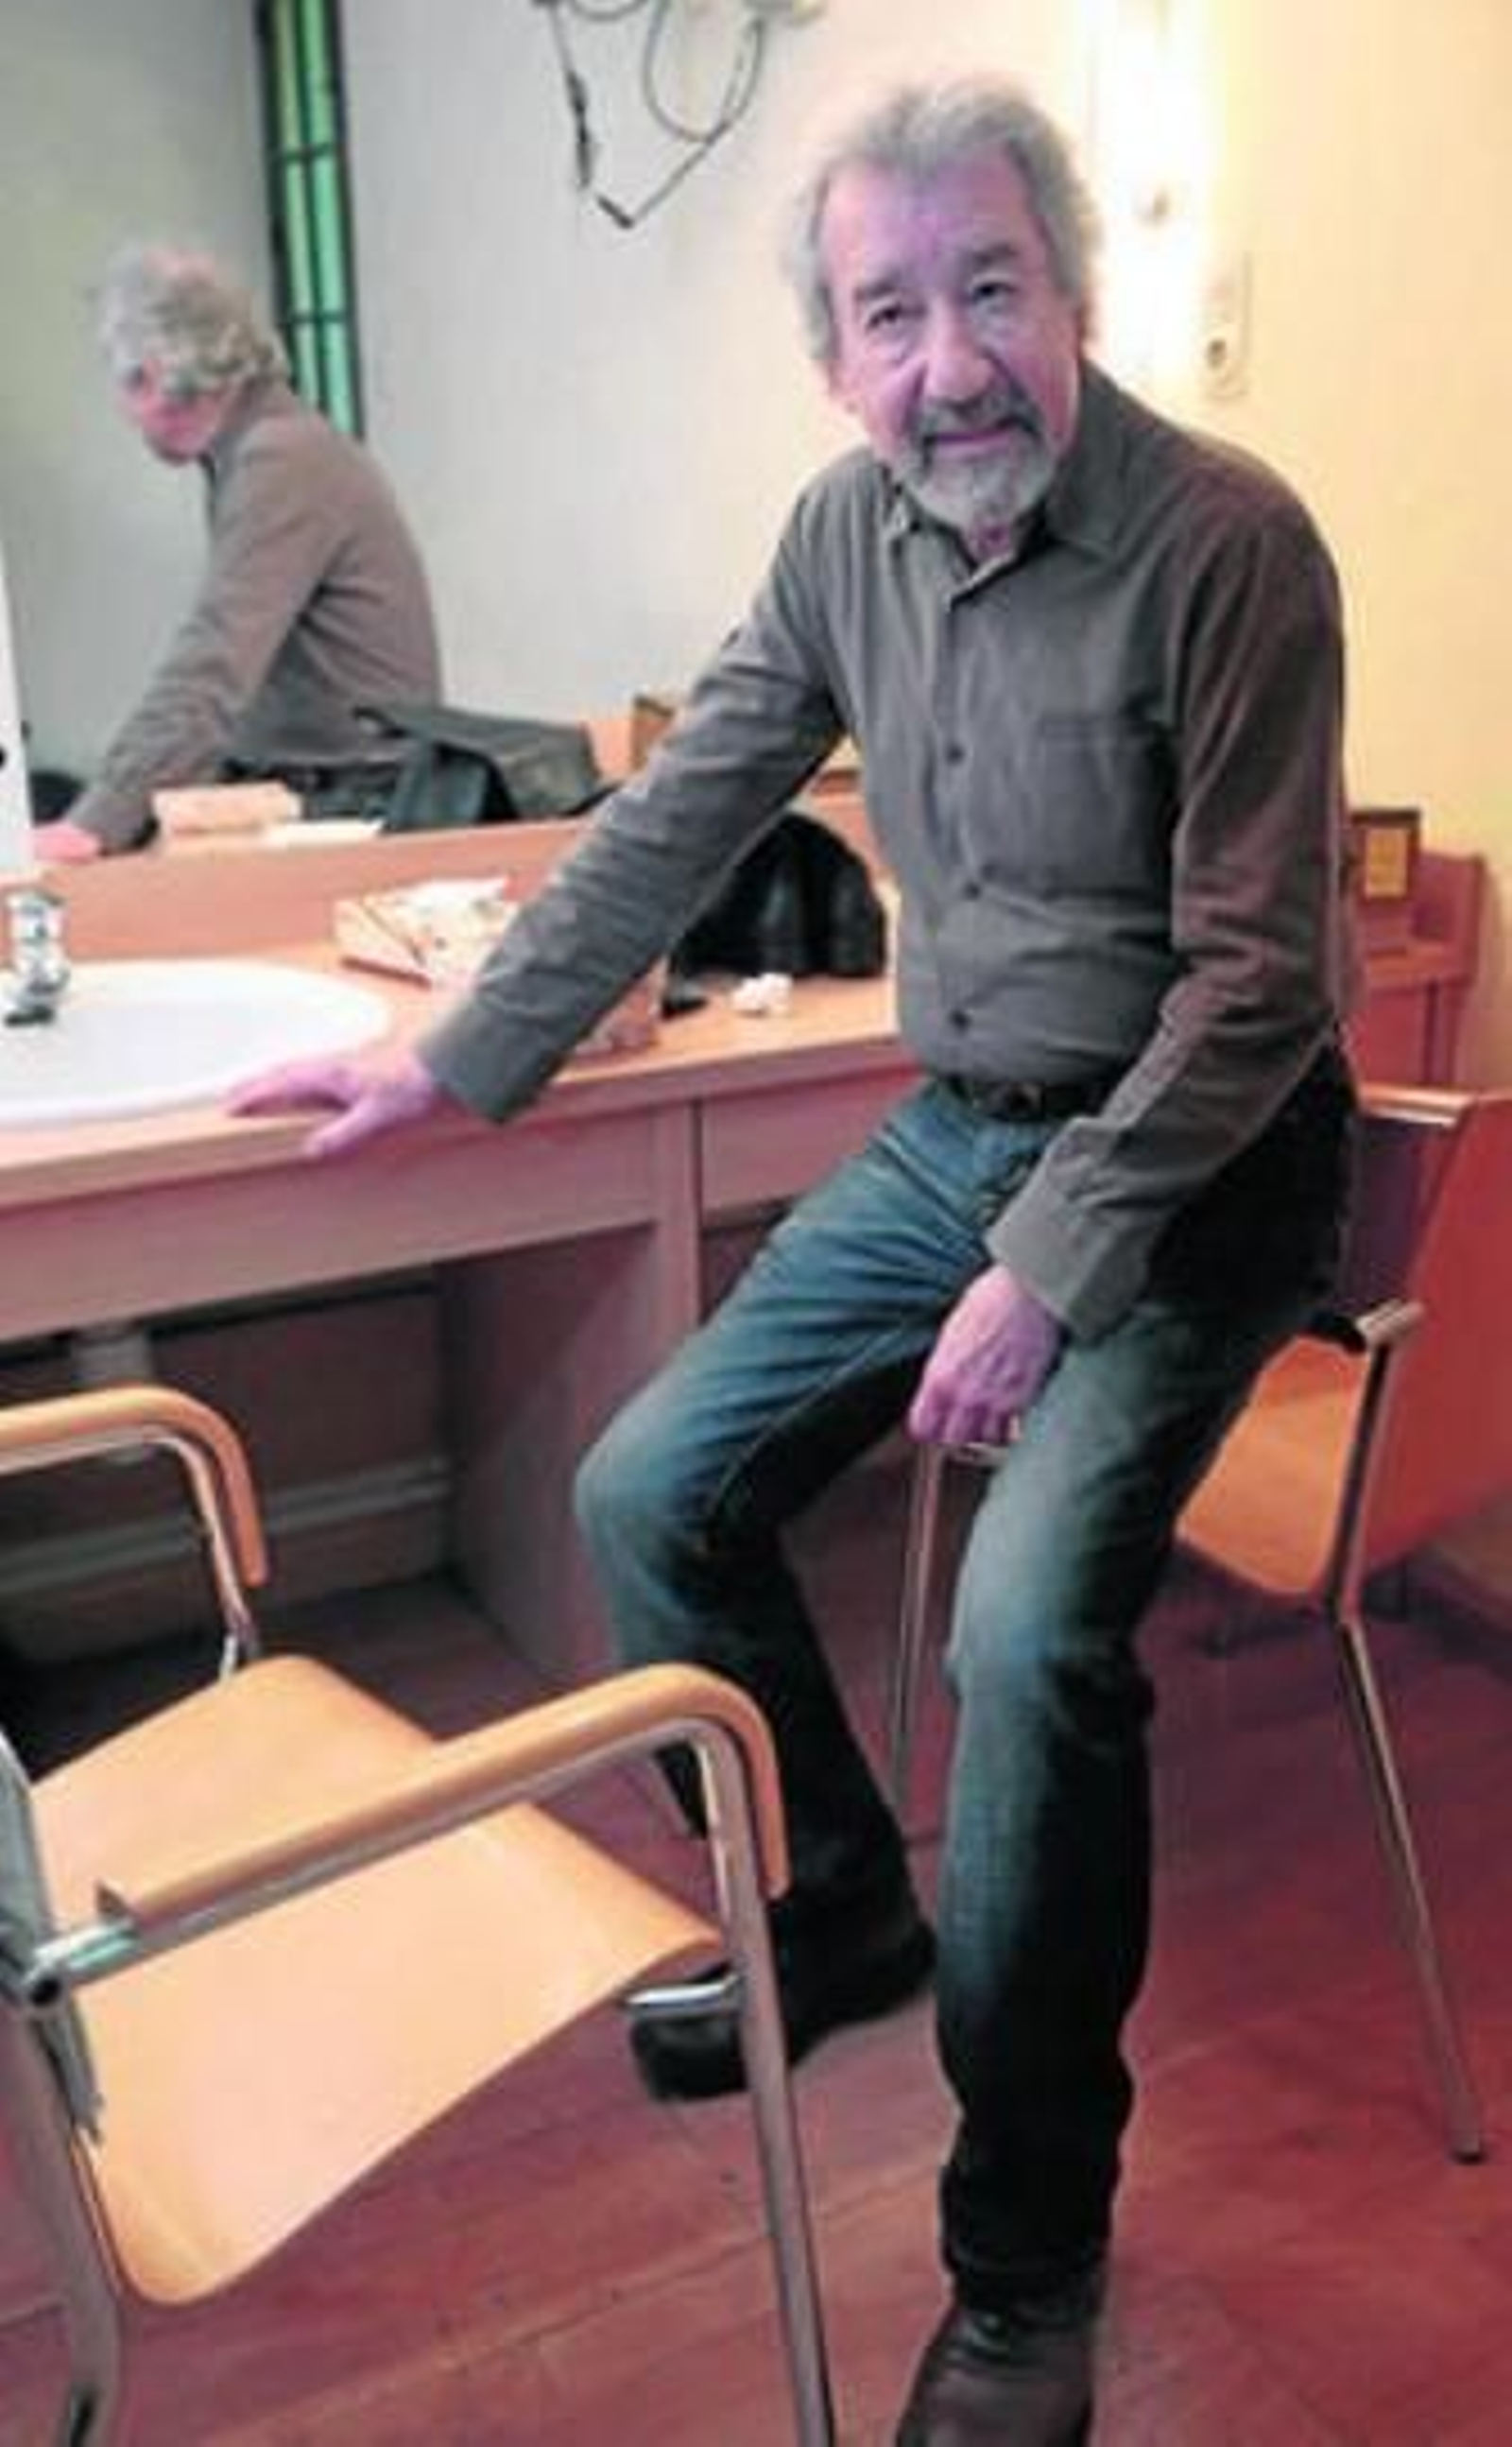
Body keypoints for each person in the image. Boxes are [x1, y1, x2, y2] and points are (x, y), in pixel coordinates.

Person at [232, 77, 1355, 2445]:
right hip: (959, 1126)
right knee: (651, 1488)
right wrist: (455, 1053)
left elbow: (1260, 987)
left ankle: (1025, 2256)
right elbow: (675, 814)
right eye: (887, 313)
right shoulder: (845, 535)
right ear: (834, 361)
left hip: (1199, 1160)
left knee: (1026, 1634)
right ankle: (840, 1892)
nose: (946, 360)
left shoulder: (1227, 544)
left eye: (987, 290)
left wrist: (1049, 1262)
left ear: (1070, 297)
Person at [41, 243, 440, 860]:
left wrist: (93, 822)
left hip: (356, 801)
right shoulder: (262, 448)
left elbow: (213, 663)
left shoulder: (280, 459)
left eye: (125, 382)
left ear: (153, 376)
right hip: (316, 785)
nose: (125, 410)